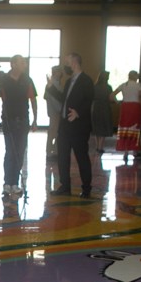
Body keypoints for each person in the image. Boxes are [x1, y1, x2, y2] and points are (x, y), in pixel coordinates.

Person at [47, 53, 93, 198]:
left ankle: (86, 189)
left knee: (81, 157)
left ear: (74, 62)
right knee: (62, 157)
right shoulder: (68, 81)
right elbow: (63, 99)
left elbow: (89, 100)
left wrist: (78, 112)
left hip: (79, 127)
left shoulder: (86, 81)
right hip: (65, 125)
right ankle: (65, 186)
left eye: (67, 61)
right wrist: (51, 88)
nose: (65, 65)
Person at [0, 55, 37, 195]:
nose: (24, 64)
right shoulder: (4, 80)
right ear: (13, 64)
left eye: (24, 62)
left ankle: (15, 183)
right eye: (21, 62)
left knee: (20, 151)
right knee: (10, 152)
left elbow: (33, 99)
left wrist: (35, 119)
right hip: (9, 120)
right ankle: (7, 182)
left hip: (23, 120)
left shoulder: (27, 80)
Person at [111, 70, 141, 162]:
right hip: (135, 107)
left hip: (125, 107)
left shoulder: (123, 85)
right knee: (135, 128)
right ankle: (134, 151)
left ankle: (125, 152)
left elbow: (111, 95)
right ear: (135, 76)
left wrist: (118, 103)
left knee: (124, 129)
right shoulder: (138, 85)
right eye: (137, 75)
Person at [91, 71, 114, 154]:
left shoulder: (94, 86)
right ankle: (101, 147)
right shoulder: (108, 87)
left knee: (96, 126)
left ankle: (97, 146)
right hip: (105, 107)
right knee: (104, 126)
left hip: (96, 107)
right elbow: (111, 98)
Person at [44, 65, 63, 158]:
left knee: (54, 131)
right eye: (59, 72)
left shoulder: (55, 83)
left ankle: (53, 151)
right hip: (55, 111)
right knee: (53, 131)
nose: (60, 74)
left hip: (54, 110)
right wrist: (60, 109)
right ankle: (51, 152)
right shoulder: (53, 84)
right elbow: (53, 99)